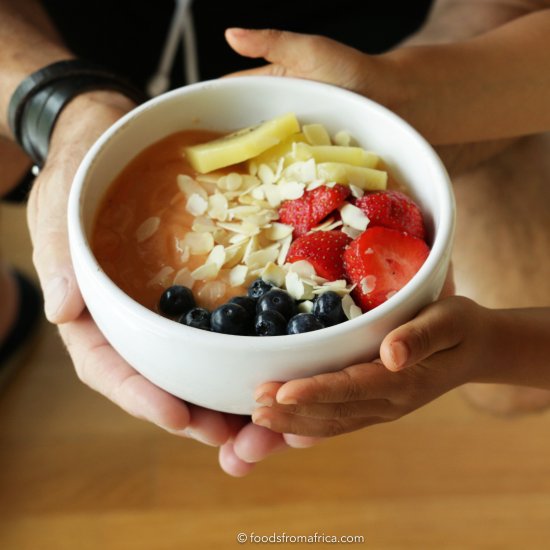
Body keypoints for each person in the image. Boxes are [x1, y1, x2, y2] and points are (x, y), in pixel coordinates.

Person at [1, 0, 549, 475]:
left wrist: (415, 92)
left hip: (389, 51)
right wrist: (60, 104)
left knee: (510, 389)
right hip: (75, 46)